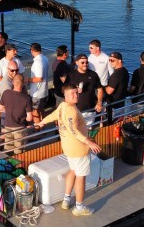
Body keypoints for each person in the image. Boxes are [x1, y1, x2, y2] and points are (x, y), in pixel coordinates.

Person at [38, 84, 101, 216]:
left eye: (76, 93)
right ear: (65, 95)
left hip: (68, 148)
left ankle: (66, 199)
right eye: (72, 93)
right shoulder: (71, 110)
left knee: (72, 170)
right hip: (79, 149)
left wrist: (43, 121)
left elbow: (55, 115)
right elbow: (74, 131)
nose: (75, 95)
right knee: (81, 177)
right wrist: (88, 142)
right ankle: (79, 207)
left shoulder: (62, 105)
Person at [65, 54, 103, 126]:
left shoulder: (93, 74)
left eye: (86, 62)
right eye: (82, 62)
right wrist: (73, 89)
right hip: (74, 109)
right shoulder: (71, 75)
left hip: (90, 109)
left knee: (88, 131)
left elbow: (100, 90)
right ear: (77, 63)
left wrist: (99, 103)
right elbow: (64, 90)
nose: (85, 64)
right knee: (75, 131)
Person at [0, 74, 33, 154]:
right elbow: (30, 118)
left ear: (13, 82)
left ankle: (8, 165)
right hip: (20, 128)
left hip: (7, 126)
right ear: (23, 84)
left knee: (7, 149)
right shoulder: (26, 99)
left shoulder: (6, 93)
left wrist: (10, 111)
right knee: (19, 152)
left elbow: (1, 109)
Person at [0, 60, 28, 130]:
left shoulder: (16, 77)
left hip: (12, 112)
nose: (15, 72)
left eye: (17, 70)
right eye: (12, 70)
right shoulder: (6, 84)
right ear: (8, 69)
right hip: (8, 113)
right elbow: (9, 101)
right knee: (5, 133)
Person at [27, 43, 49, 125]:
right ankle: (43, 127)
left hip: (37, 92)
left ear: (32, 50)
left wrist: (28, 80)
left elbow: (39, 78)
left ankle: (38, 130)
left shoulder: (37, 62)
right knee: (41, 109)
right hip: (43, 90)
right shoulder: (45, 58)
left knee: (35, 111)